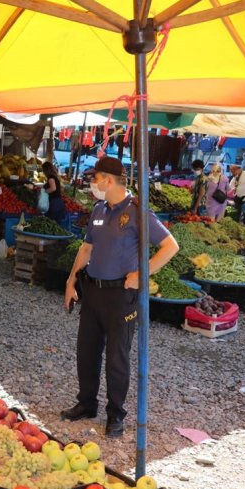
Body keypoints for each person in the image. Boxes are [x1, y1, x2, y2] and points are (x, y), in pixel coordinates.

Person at [62, 157, 179, 437]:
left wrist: (142, 274)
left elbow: (170, 246)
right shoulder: (99, 209)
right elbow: (86, 248)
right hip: (93, 291)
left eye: (95, 178)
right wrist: (70, 280)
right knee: (86, 352)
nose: (92, 184)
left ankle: (116, 414)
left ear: (109, 180)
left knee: (117, 357)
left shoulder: (138, 211)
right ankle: (86, 403)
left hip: (121, 296)